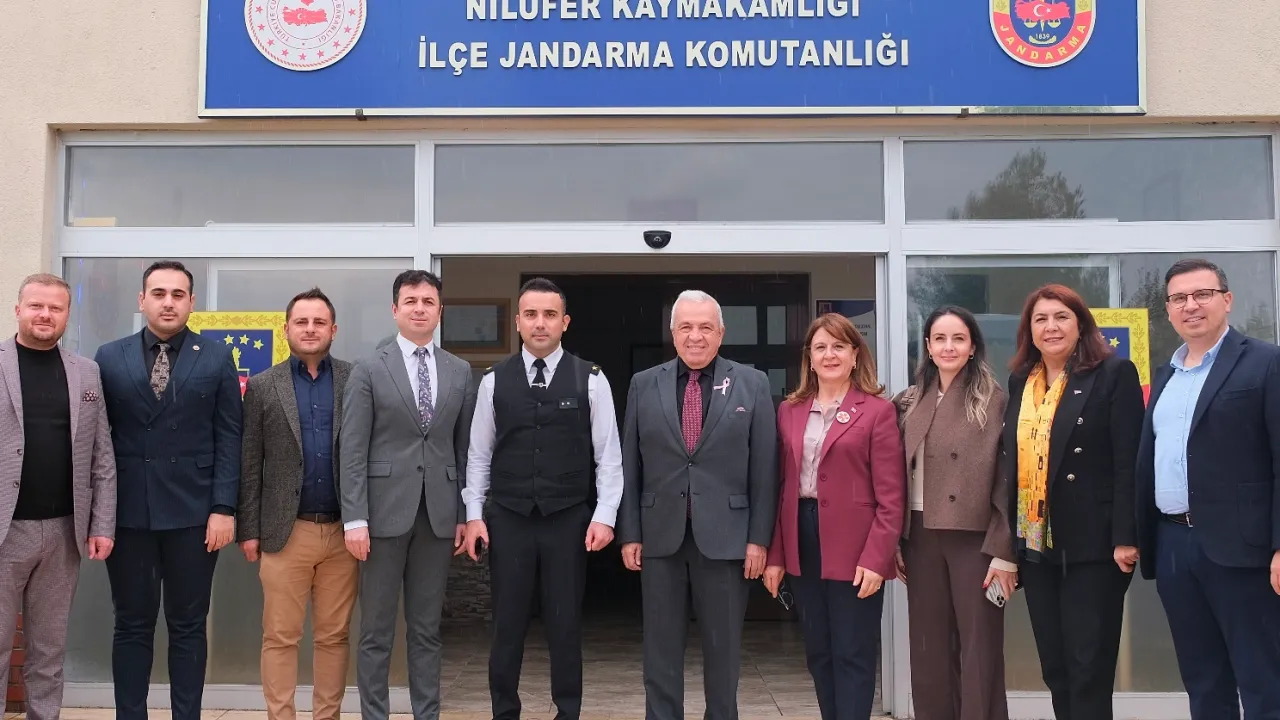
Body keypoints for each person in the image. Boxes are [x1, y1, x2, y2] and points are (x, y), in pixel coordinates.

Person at [462, 277, 624, 720]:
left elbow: (608, 456)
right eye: (531, 314)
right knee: (507, 624)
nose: (540, 323)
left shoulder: (592, 380)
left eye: (549, 314)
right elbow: (478, 454)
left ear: (564, 322)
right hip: (509, 517)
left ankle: (567, 711)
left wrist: (605, 515)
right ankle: (504, 712)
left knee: (564, 622)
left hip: (567, 519)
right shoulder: (493, 381)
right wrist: (474, 515)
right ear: (517, 322)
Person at [618, 289, 778, 720]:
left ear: (721, 333)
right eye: (686, 326)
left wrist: (759, 539)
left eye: (706, 327)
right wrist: (630, 532)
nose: (695, 336)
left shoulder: (752, 383)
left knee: (723, 651)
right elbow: (629, 463)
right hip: (659, 536)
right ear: (672, 333)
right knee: (660, 649)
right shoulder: (643, 384)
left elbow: (765, 469)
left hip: (728, 539)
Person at [94, 260, 242, 720]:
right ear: (142, 300)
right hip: (129, 513)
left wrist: (224, 507)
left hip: (195, 514)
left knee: (188, 625)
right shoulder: (108, 356)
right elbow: (98, 441)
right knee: (131, 624)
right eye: (158, 293)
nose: (168, 302)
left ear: (192, 302)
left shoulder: (215, 356)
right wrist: (99, 514)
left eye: (178, 294)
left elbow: (229, 437)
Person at [1136, 258, 1280, 719]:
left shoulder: (1266, 362)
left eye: (1202, 294)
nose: (1190, 306)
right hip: (1175, 546)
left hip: (1244, 550)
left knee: (1263, 680)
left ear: (1227, 299)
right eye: (1179, 298)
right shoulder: (1166, 375)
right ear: (1168, 309)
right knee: (1203, 680)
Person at [1001, 284, 1144, 720]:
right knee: (1056, 668)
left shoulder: (1113, 373)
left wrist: (1126, 537)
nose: (1051, 327)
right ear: (1029, 330)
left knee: (1088, 668)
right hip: (1036, 546)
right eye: (1041, 319)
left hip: (1094, 548)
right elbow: (1012, 464)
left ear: (1081, 324)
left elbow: (1129, 462)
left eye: (1061, 317)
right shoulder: (1021, 381)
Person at [339, 269, 477, 720]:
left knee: (427, 630)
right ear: (395, 309)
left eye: (428, 301)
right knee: (376, 632)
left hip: (437, 516)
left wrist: (462, 513)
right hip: (381, 517)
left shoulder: (459, 371)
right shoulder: (368, 369)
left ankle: (427, 714)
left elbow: (463, 448)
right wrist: (355, 518)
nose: (420, 309)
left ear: (440, 311)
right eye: (411, 301)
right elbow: (352, 449)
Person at [762, 313, 904, 720]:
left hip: (856, 544)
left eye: (839, 347)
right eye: (820, 347)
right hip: (802, 537)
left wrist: (877, 559)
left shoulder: (877, 411)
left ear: (855, 355)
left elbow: (891, 496)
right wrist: (776, 556)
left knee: (852, 651)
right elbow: (782, 487)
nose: (829, 355)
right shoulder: (789, 411)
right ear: (809, 358)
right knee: (819, 650)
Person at [0, 273, 116, 720]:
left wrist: (101, 523)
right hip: (6, 531)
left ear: (67, 314)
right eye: (36, 306)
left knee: (49, 651)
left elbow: (102, 454)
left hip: (64, 532)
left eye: (56, 308)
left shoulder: (86, 372)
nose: (45, 315)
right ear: (18, 309)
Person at [238, 288, 357, 720]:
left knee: (334, 637)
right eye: (301, 322)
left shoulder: (354, 380)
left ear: (333, 330)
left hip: (343, 534)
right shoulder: (263, 386)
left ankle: (328, 716)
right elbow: (250, 462)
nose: (310, 329)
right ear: (286, 328)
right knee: (280, 637)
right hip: (285, 533)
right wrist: (249, 530)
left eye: (319, 322)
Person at [892, 306, 1013, 720]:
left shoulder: (994, 401)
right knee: (928, 647)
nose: (948, 347)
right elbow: (893, 473)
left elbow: (1008, 480)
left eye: (958, 339)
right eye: (939, 339)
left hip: (974, 537)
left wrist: (1004, 551)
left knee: (979, 646)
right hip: (919, 534)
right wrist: (895, 538)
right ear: (927, 346)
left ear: (972, 346)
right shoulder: (908, 401)